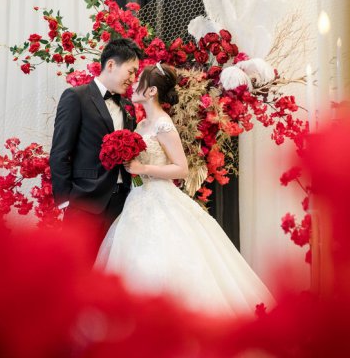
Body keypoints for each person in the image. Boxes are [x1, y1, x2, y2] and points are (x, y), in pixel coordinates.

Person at [96, 63, 274, 316]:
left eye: (140, 82)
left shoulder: (163, 124)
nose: (134, 84)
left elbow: (181, 169)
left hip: (160, 198)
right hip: (137, 199)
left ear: (152, 91)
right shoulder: (142, 123)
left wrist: (141, 168)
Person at [49, 38, 142, 252]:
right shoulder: (76, 97)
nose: (133, 78)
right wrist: (65, 201)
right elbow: (60, 151)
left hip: (122, 202)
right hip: (85, 202)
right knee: (76, 270)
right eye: (130, 71)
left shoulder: (128, 106)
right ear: (110, 65)